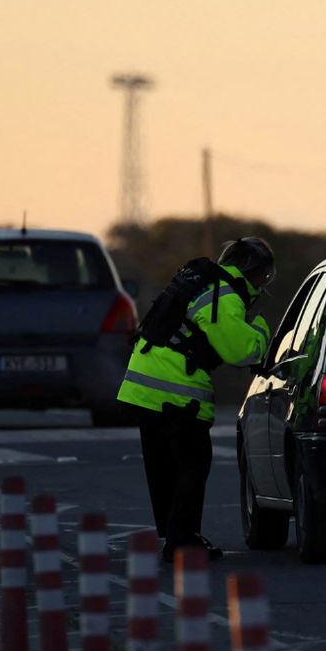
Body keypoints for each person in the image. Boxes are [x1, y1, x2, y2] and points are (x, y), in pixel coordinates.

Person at [118, 238, 274, 563]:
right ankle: (181, 541)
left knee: (164, 465)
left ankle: (174, 536)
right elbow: (243, 352)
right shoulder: (224, 295)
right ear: (257, 273)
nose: (265, 284)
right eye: (266, 276)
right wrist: (260, 328)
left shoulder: (203, 284)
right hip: (174, 387)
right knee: (193, 461)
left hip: (142, 384)